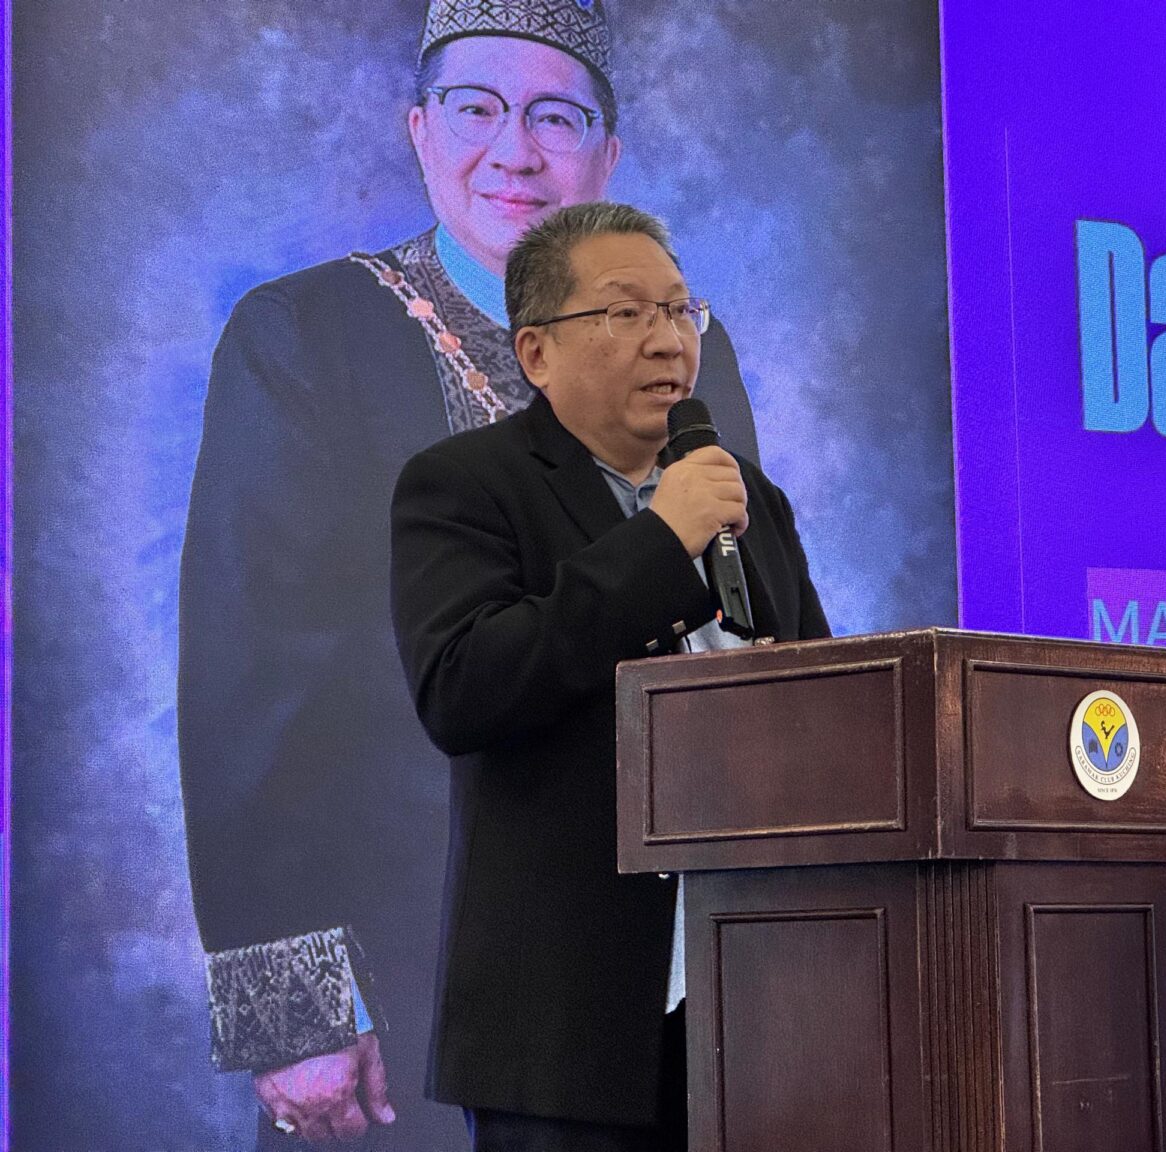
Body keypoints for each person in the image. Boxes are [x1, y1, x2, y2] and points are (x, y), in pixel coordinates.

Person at [177, 2, 759, 1148]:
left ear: (607, 155)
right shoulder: (308, 336)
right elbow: (250, 686)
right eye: (476, 108)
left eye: (554, 117)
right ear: (419, 131)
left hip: (662, 977)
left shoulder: (688, 343)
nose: (514, 152)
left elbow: (739, 624)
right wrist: (297, 1012)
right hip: (416, 980)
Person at [388, 202, 830, 1151]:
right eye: (627, 313)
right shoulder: (466, 485)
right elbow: (463, 687)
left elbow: (826, 708)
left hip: (757, 1013)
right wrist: (660, 542)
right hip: (564, 1027)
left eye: (680, 311)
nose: (667, 340)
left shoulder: (751, 499)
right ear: (536, 352)